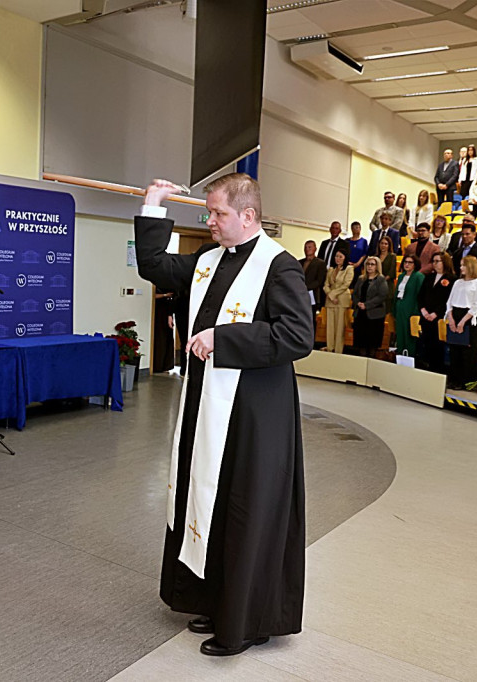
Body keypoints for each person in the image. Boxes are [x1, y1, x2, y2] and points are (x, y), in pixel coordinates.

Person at [134, 175, 311, 657]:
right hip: (207, 403)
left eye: (218, 214)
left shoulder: (279, 267)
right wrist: (153, 205)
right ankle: (215, 600)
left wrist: (224, 338)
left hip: (255, 414)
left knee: (244, 508)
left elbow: (298, 337)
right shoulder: (207, 262)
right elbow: (152, 264)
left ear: (248, 216)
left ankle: (248, 622)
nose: (209, 222)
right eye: (208, 213)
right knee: (207, 502)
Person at [445, 255, 477, 389]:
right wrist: (450, 317)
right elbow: (449, 301)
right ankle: (454, 379)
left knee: (467, 351)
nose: (461, 267)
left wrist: (462, 322)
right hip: (455, 314)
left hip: (468, 317)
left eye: (463, 265)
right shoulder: (458, 282)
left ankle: (465, 381)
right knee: (454, 350)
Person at [417, 252, 454, 374]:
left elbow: (447, 299)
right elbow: (421, 295)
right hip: (425, 315)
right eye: (433, 261)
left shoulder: (451, 279)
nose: (435, 264)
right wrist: (423, 310)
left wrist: (436, 313)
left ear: (445, 262)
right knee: (425, 342)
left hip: (438, 317)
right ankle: (425, 366)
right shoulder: (429, 277)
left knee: (437, 345)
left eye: (437, 261)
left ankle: (437, 369)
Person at [352, 256, 389, 357]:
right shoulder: (361, 279)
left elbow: (382, 295)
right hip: (360, 313)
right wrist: (358, 303)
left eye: (372, 264)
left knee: (372, 341)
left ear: (377, 266)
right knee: (361, 340)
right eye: (368, 264)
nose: (369, 266)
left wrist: (367, 305)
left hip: (374, 314)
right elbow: (355, 294)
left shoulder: (381, 279)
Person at [322, 250, 353, 354]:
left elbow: (346, 284)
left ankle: (338, 350)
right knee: (330, 326)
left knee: (340, 326)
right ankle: (330, 347)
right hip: (330, 300)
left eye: (340, 256)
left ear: (345, 258)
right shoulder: (331, 269)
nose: (337, 258)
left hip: (342, 299)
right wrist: (330, 295)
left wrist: (333, 294)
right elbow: (326, 284)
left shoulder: (349, 268)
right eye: (336, 256)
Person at [394, 255, 425, 356]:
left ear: (415, 264)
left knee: (409, 335)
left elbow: (420, 295)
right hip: (400, 306)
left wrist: (416, 311)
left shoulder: (418, 276)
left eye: (410, 262)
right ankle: (400, 355)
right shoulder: (401, 276)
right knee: (400, 333)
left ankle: (410, 357)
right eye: (405, 262)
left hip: (411, 308)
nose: (407, 264)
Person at [299, 240, 327, 341]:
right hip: (299, 295)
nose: (307, 249)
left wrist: (305, 288)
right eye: (306, 247)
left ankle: (311, 341)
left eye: (310, 247)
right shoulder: (299, 262)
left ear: (315, 249)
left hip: (313, 295)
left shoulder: (320, 263)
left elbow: (319, 281)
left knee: (310, 319)